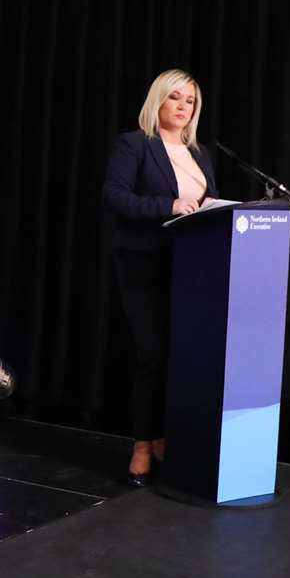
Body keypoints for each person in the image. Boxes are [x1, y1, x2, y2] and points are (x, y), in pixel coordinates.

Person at [101, 69, 219, 486]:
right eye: (175, 98)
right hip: (143, 263)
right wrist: (167, 206)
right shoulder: (135, 144)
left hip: (191, 267)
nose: (183, 107)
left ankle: (170, 436)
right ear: (158, 101)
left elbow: (208, 204)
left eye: (190, 100)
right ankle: (141, 445)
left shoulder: (200, 153)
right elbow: (114, 197)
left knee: (180, 357)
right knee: (152, 356)